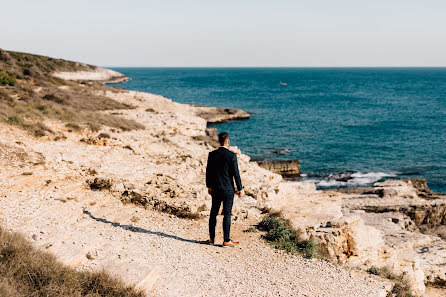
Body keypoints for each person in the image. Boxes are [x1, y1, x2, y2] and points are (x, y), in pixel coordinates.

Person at [206, 132, 244, 247]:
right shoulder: (232, 156)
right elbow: (235, 174)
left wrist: (209, 186)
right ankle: (226, 240)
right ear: (228, 141)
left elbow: (208, 172)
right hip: (228, 189)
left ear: (219, 141)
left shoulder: (212, 154)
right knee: (227, 214)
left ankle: (212, 239)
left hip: (216, 189)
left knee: (213, 213)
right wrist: (240, 188)